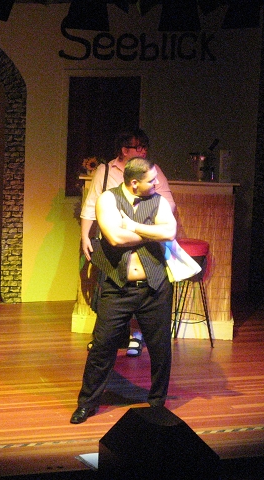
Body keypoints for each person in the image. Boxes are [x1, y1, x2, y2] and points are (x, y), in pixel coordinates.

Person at [71, 157, 177, 424]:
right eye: (152, 180)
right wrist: (152, 232)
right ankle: (87, 403)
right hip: (118, 287)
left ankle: (157, 403)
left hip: (154, 287)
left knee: (160, 348)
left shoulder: (159, 201)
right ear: (134, 183)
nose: (157, 183)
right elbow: (115, 238)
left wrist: (132, 226)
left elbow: (170, 232)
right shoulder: (108, 199)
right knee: (102, 346)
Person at [80, 129, 175, 356]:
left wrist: (139, 224)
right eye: (138, 147)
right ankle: (106, 339)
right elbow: (91, 205)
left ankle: (136, 335)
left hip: (145, 246)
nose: (143, 151)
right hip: (114, 242)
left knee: (146, 290)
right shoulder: (105, 171)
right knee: (111, 288)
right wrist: (84, 236)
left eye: (145, 146)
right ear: (124, 150)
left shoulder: (151, 171)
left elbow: (167, 204)